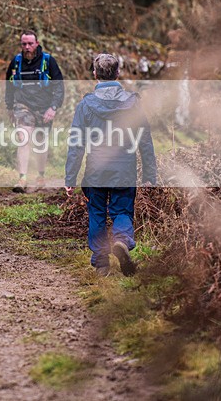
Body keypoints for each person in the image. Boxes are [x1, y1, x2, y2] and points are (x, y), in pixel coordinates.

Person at [64, 53, 156, 277]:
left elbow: (76, 144)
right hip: (124, 168)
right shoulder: (133, 103)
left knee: (96, 213)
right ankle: (122, 240)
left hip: (96, 169)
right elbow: (145, 140)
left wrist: (70, 178)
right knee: (122, 210)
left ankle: (101, 263)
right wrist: (150, 174)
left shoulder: (86, 105)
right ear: (118, 73)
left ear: (95, 74)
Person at [5, 29, 64, 192]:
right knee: (23, 139)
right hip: (22, 106)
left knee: (40, 143)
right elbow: (9, 86)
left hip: (44, 107)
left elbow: (59, 86)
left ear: (37, 43)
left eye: (30, 43)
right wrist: (9, 106)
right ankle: (22, 178)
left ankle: (40, 175)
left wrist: (53, 107)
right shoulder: (16, 62)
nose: (27, 47)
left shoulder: (48, 61)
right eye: (24, 44)